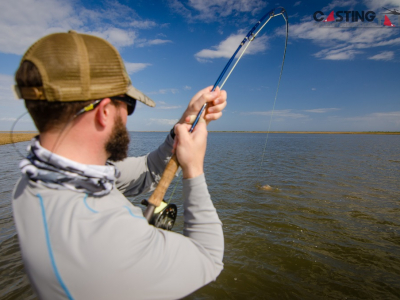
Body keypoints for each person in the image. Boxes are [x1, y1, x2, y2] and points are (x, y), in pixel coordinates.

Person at [12, 30, 227, 300]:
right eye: (129, 104)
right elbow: (207, 258)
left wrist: (184, 124)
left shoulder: (38, 176)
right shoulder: (103, 240)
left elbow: (146, 169)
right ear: (104, 112)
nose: (127, 115)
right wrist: (194, 168)